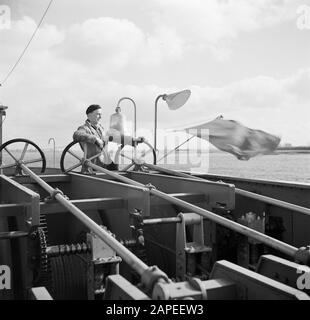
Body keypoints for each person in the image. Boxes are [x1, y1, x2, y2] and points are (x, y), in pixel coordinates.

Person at [73, 104, 144, 172]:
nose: (100, 117)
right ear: (89, 115)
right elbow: (77, 134)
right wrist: (95, 139)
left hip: (106, 164)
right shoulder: (84, 128)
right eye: (97, 114)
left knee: (114, 165)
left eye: (101, 114)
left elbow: (114, 138)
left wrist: (132, 140)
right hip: (93, 165)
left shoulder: (101, 129)